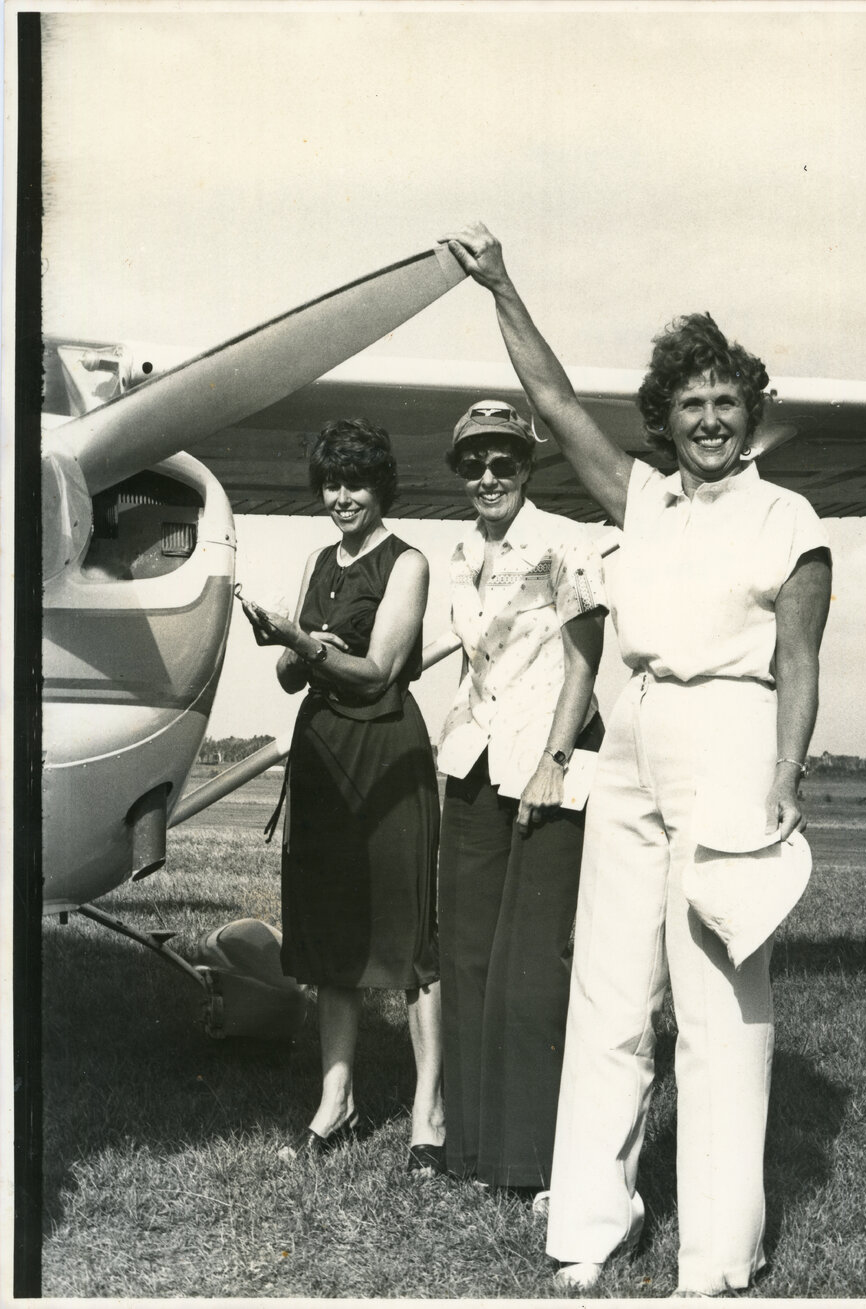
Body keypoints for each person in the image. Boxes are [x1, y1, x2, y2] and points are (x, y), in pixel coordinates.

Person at [441, 223, 832, 1294]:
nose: (708, 419)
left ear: (752, 411)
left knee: (718, 1006)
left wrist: (786, 774)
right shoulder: (643, 499)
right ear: (665, 417)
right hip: (633, 735)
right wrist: (501, 285)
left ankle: (716, 1257)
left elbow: (799, 661)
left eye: (726, 401)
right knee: (609, 994)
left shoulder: (789, 520)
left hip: (731, 738)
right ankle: (588, 1226)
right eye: (689, 403)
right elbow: (555, 403)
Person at [240, 418, 445, 1174]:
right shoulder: (317, 560)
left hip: (385, 750)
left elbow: (379, 672)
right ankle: (337, 1099)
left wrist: (304, 642)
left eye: (355, 482)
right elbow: (290, 678)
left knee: (407, 933)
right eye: (330, 483)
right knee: (330, 932)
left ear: (379, 487)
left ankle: (429, 1112)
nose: (341, 497)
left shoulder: (407, 562)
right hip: (323, 752)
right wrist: (285, 644)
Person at [434, 399, 608, 1195]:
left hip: (547, 760)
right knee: (467, 955)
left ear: (528, 465)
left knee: (530, 963)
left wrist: (554, 761)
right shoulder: (459, 553)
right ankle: (472, 1151)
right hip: (473, 762)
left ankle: (531, 1159)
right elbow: (475, 663)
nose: (488, 476)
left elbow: (583, 662)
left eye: (503, 460)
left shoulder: (566, 542)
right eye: (473, 463)